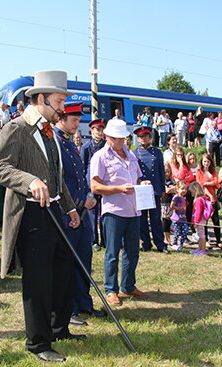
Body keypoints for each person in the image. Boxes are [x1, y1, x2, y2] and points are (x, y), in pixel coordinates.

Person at [0, 70, 82, 363]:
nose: (63, 109)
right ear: (40, 99)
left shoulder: (51, 131)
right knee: (38, 279)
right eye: (58, 102)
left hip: (54, 211)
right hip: (31, 214)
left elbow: (57, 176)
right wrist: (29, 181)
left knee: (64, 268)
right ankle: (38, 342)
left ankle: (58, 328)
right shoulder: (17, 128)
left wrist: (69, 207)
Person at [53, 101, 106, 326]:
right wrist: (77, 202)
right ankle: (70, 309)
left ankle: (84, 303)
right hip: (67, 212)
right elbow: (60, 180)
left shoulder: (70, 143)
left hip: (83, 212)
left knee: (84, 259)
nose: (77, 125)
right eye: (73, 120)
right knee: (66, 264)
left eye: (78, 120)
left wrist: (88, 196)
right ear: (61, 119)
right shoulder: (54, 142)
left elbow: (79, 175)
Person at [90, 118, 150, 308]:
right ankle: (111, 290)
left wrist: (143, 184)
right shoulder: (100, 157)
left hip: (134, 211)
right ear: (107, 137)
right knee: (112, 253)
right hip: (114, 212)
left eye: (122, 138)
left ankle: (128, 286)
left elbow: (137, 179)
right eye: (116, 138)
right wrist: (118, 189)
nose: (120, 141)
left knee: (133, 252)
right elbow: (95, 186)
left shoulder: (132, 156)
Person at [133, 126, 169, 254]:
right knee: (142, 218)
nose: (143, 139)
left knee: (155, 218)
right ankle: (146, 243)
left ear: (150, 137)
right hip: (141, 189)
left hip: (154, 188)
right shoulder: (134, 153)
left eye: (146, 136)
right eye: (140, 137)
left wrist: (162, 187)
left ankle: (160, 243)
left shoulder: (157, 152)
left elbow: (161, 171)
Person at [81, 118, 106, 251]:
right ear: (91, 131)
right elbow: (83, 168)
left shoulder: (106, 146)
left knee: (105, 213)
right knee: (92, 213)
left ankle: (105, 239)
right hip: (92, 185)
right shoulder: (86, 147)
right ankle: (93, 240)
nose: (99, 132)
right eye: (97, 129)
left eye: (101, 129)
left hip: (105, 184)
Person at [196, 153, 221, 246]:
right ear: (202, 162)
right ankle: (205, 240)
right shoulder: (199, 172)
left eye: (208, 161)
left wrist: (207, 182)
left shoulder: (213, 171)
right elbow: (201, 185)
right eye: (204, 161)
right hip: (204, 198)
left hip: (213, 198)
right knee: (204, 220)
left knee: (216, 220)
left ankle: (218, 240)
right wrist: (209, 184)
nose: (206, 163)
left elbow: (216, 183)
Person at [188, 181, 211, 256]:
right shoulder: (201, 198)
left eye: (192, 191)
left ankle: (203, 250)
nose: (192, 193)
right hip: (200, 220)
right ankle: (199, 248)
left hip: (200, 220)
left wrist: (196, 221)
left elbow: (198, 212)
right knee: (200, 235)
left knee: (202, 236)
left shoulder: (198, 200)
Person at [169, 181, 188, 252]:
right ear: (177, 189)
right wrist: (179, 208)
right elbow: (171, 206)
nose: (184, 190)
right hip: (176, 219)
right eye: (182, 189)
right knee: (177, 232)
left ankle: (181, 244)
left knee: (185, 231)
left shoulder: (184, 198)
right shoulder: (176, 197)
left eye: (186, 189)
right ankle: (174, 243)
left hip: (183, 218)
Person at [161, 164, 176, 246]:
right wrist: (172, 189)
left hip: (172, 202)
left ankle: (169, 237)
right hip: (164, 202)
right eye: (165, 171)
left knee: (170, 221)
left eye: (168, 172)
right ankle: (165, 238)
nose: (167, 173)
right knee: (165, 221)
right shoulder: (162, 180)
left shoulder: (172, 180)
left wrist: (173, 189)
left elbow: (178, 188)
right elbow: (167, 190)